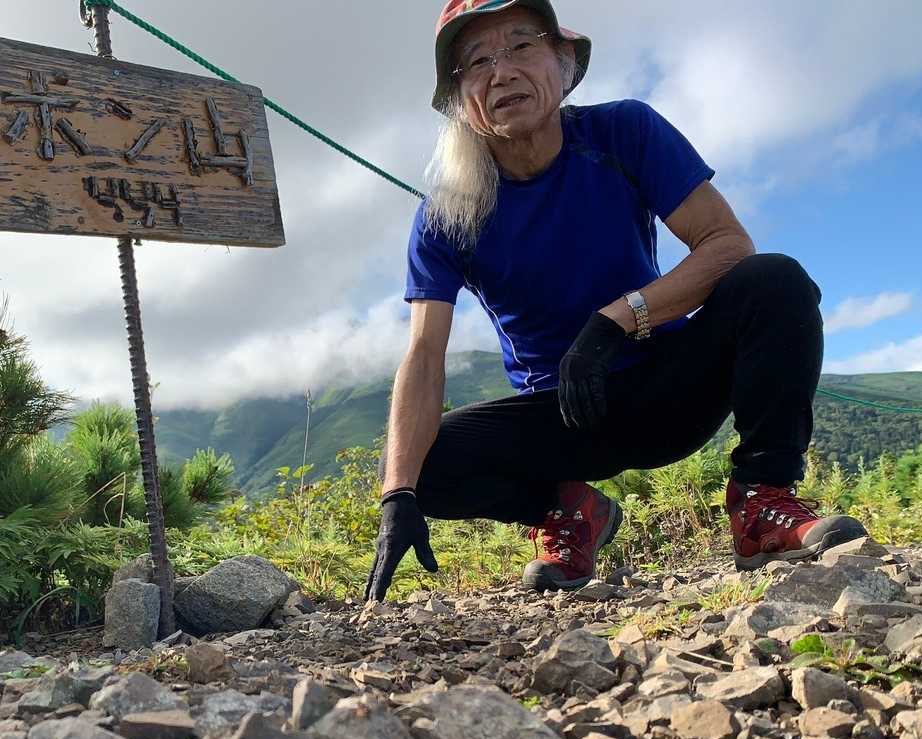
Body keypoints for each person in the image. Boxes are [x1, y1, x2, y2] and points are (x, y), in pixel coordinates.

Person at [364, 0, 868, 602]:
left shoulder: (622, 132)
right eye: (477, 61)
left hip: (670, 387)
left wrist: (616, 321)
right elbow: (425, 353)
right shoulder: (447, 213)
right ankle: (570, 511)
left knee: (774, 282)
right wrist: (398, 496)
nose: (501, 72)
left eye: (521, 46)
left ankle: (763, 500)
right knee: (413, 464)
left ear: (561, 61)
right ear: (460, 98)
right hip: (566, 416)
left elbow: (726, 243)